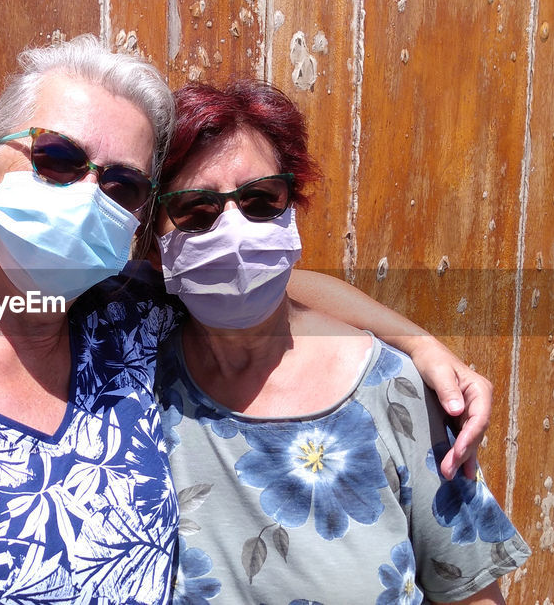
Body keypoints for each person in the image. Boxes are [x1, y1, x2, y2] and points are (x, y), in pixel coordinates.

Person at [0, 37, 494, 604]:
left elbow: (278, 281)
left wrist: (417, 345)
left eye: (119, 183)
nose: (86, 194)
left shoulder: (120, 330)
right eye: (57, 159)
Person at [149, 80, 530, 604]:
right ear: (154, 245)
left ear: (292, 210)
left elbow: (471, 592)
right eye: (197, 210)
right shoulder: (131, 375)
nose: (234, 235)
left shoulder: (396, 392)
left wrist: (418, 346)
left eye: (261, 201)